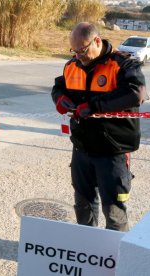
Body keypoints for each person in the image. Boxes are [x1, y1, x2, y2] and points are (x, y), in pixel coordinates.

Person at [51, 22, 149, 232]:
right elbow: (58, 87)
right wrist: (59, 99)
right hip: (82, 147)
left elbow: (137, 93)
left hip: (113, 150)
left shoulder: (122, 64)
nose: (78, 56)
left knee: (113, 208)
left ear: (96, 41)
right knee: (83, 204)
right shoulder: (72, 66)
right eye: (74, 51)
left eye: (82, 50)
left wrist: (94, 106)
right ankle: (87, 250)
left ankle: (115, 257)